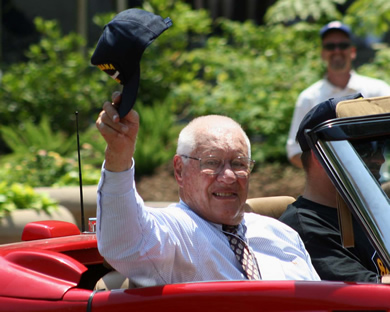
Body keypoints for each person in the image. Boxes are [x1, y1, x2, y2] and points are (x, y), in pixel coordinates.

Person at [95, 92, 320, 287]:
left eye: (239, 164)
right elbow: (124, 242)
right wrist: (119, 156)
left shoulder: (281, 234)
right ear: (180, 170)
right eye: (212, 163)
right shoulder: (176, 233)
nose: (229, 176)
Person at [280, 94, 390, 283]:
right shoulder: (305, 231)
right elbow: (368, 294)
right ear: (321, 156)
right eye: (365, 149)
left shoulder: (374, 212)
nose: (380, 159)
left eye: (381, 147)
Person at [286, 21, 390, 168]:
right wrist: (333, 174)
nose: (337, 50)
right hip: (329, 187)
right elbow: (294, 151)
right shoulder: (308, 98)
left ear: (352, 51)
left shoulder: (378, 90)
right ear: (323, 53)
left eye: (343, 45)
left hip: (378, 181)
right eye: (330, 46)